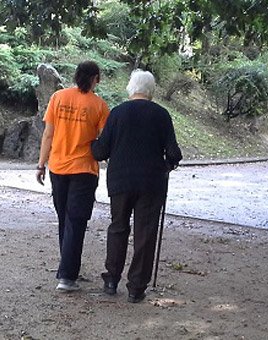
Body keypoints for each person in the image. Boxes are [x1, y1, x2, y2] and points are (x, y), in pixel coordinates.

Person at [91, 70, 182, 303]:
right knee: (145, 233)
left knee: (118, 227)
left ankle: (111, 279)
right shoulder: (161, 115)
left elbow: (102, 151)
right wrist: (166, 166)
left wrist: (92, 144)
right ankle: (136, 287)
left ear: (130, 88)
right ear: (151, 90)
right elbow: (174, 153)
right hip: (151, 183)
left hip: (120, 180)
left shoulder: (118, 113)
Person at [36, 61, 110, 292]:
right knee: (76, 222)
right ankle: (67, 276)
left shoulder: (58, 97)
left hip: (58, 167)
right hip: (84, 170)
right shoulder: (99, 106)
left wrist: (41, 165)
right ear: (95, 78)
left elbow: (48, 134)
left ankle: (67, 269)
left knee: (64, 220)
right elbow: (104, 141)